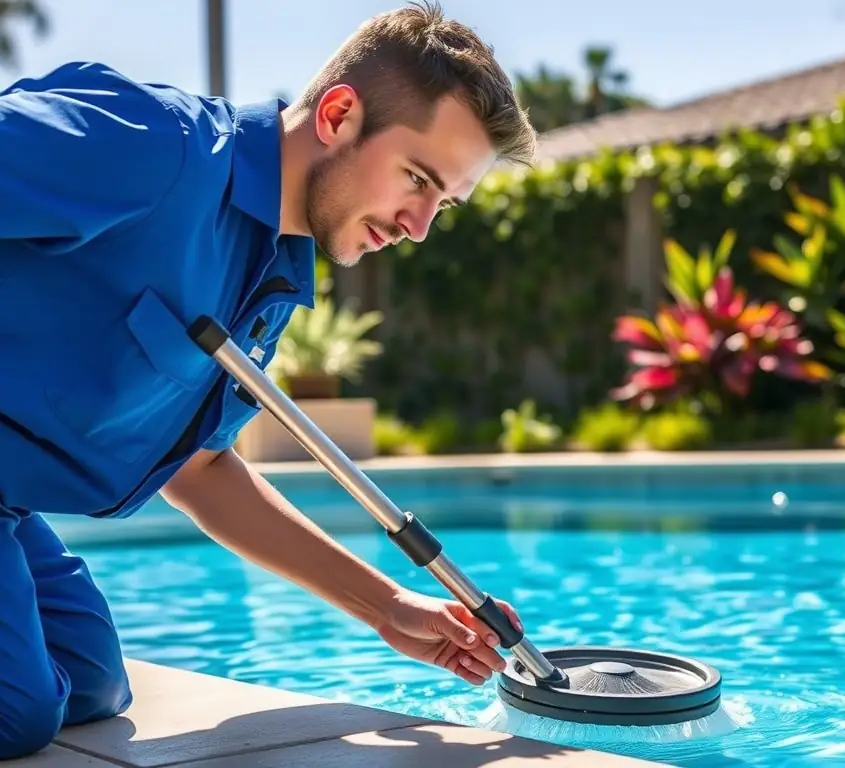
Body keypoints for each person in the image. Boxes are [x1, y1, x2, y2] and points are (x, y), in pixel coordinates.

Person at [0, 1, 537, 759]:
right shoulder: (154, 146)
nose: (418, 225)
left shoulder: (271, 281)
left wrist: (388, 607)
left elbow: (204, 468)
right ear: (339, 114)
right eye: (417, 178)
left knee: (89, 683)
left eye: (441, 204)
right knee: (18, 710)